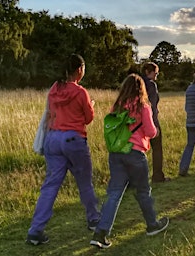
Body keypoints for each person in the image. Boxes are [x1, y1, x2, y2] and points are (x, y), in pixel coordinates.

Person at [26, 54, 100, 245]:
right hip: (74, 139)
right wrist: (91, 106)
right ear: (79, 70)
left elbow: (51, 112)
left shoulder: (54, 88)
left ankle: (36, 230)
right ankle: (93, 220)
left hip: (53, 138)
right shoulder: (81, 92)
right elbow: (87, 119)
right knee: (84, 182)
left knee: (50, 185)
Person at [90, 74, 169, 249]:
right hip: (135, 153)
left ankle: (100, 232)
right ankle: (152, 225)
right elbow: (150, 132)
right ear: (141, 89)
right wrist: (154, 131)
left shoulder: (116, 107)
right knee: (143, 192)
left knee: (114, 193)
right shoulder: (143, 107)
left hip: (117, 153)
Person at [141, 62, 170, 183]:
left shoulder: (136, 83)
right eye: (155, 73)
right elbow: (151, 105)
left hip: (136, 122)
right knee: (157, 148)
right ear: (148, 72)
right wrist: (154, 124)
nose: (156, 76)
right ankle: (158, 175)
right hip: (150, 120)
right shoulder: (151, 85)